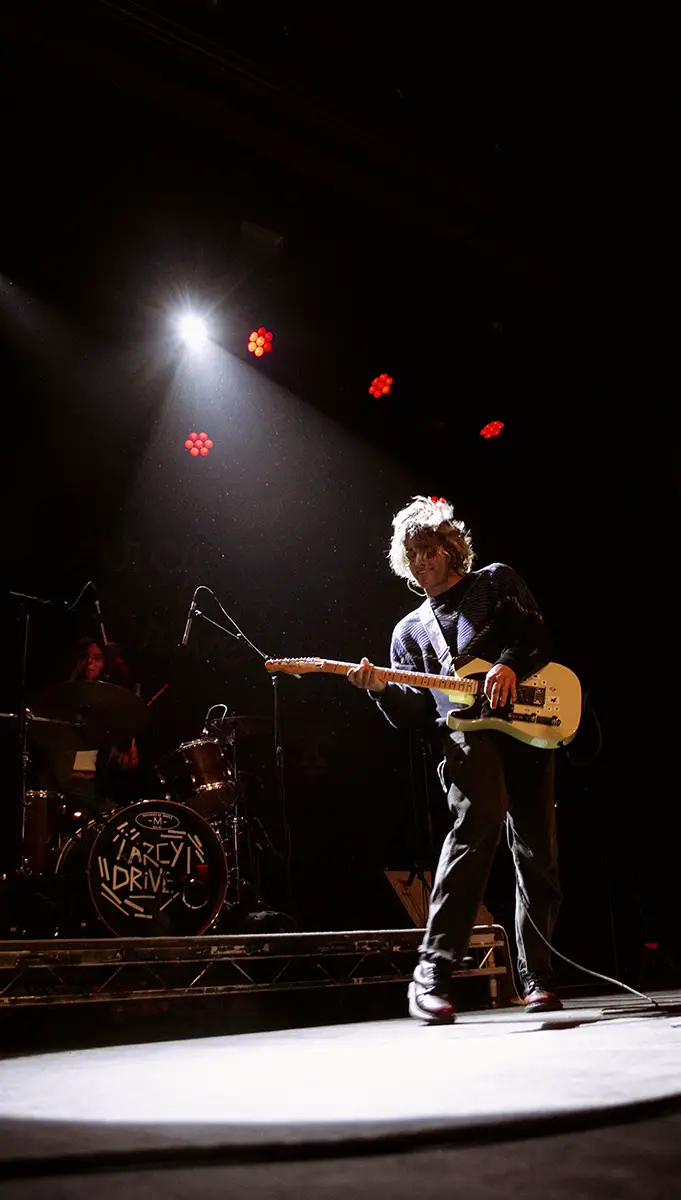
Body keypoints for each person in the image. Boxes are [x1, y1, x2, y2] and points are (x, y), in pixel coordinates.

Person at [347, 496, 562, 1022]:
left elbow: (537, 638)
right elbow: (416, 716)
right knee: (478, 825)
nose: (422, 562)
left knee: (538, 853)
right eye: (412, 554)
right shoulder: (408, 631)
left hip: (529, 731)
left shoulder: (495, 582)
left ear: (451, 549)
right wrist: (379, 690)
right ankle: (432, 974)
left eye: (430, 550)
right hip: (466, 737)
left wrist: (509, 664)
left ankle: (536, 976)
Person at [41, 637, 139, 815]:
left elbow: (99, 750)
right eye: (85, 656)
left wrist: (122, 760)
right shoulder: (61, 702)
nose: (89, 662)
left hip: (93, 792)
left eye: (96, 657)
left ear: (104, 664)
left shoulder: (103, 706)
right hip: (66, 790)